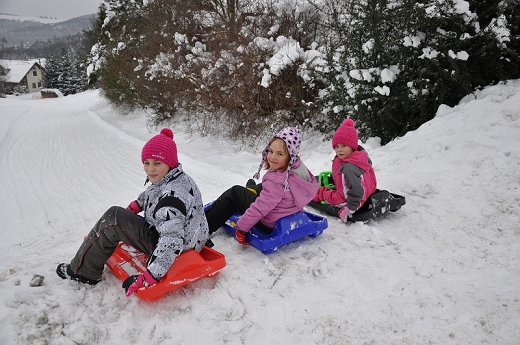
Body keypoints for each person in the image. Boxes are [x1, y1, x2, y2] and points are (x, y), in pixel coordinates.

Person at [56, 128, 209, 297]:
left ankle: (83, 272)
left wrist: (150, 277)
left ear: (170, 163)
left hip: (176, 247)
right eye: (147, 162)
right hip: (190, 238)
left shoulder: (171, 200)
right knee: (119, 215)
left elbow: (172, 241)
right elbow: (153, 192)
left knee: (113, 218)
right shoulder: (175, 177)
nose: (150, 169)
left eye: (157, 163)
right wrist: (136, 206)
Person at [204, 127, 318, 245]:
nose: (272, 157)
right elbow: (275, 191)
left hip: (268, 222)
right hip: (286, 210)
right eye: (270, 151)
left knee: (235, 192)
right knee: (262, 186)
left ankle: (204, 226)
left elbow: (259, 208)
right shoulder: (299, 169)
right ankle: (251, 190)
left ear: (290, 156)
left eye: (280, 154)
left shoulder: (276, 181)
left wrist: (242, 228)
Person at [312, 118, 377, 222]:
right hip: (368, 190)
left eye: (343, 145)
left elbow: (357, 192)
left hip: (347, 200)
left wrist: (349, 209)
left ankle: (309, 193)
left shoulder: (348, 168)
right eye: (336, 146)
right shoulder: (361, 157)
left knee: (323, 193)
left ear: (352, 146)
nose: (339, 149)